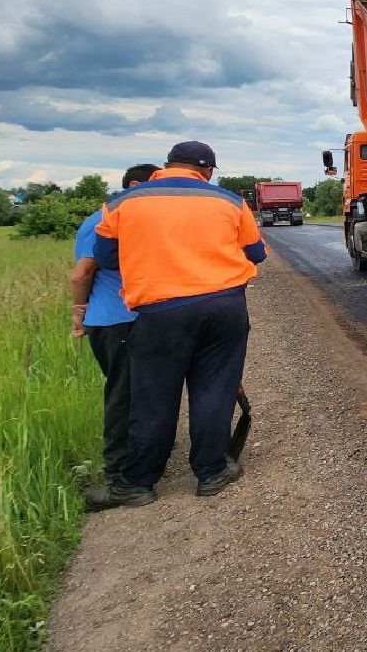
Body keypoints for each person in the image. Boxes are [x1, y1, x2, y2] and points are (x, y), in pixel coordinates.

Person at [87, 141, 267, 510]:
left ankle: (137, 483)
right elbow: (256, 252)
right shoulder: (230, 202)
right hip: (224, 307)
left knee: (153, 396)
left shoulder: (124, 202)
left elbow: (106, 256)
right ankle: (211, 472)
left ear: (166, 165)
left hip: (161, 311)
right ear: (208, 171)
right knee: (215, 389)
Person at [72, 163, 158, 492]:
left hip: (136, 318)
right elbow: (81, 274)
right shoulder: (102, 220)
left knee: (143, 391)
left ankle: (143, 456)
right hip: (114, 322)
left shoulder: (140, 218)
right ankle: (119, 474)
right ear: (133, 185)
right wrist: (78, 314)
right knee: (123, 394)